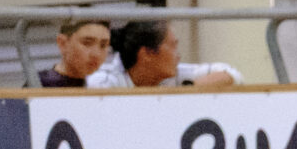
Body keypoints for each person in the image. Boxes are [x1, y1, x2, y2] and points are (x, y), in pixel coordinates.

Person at [88, 20, 240, 90]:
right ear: (147, 54)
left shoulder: (171, 76)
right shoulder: (102, 83)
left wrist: (186, 91)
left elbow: (232, 74)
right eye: (173, 46)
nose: (178, 55)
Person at [37, 17, 112, 88]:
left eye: (103, 45)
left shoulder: (104, 85)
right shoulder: (37, 84)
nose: (96, 54)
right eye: (87, 43)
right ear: (63, 43)